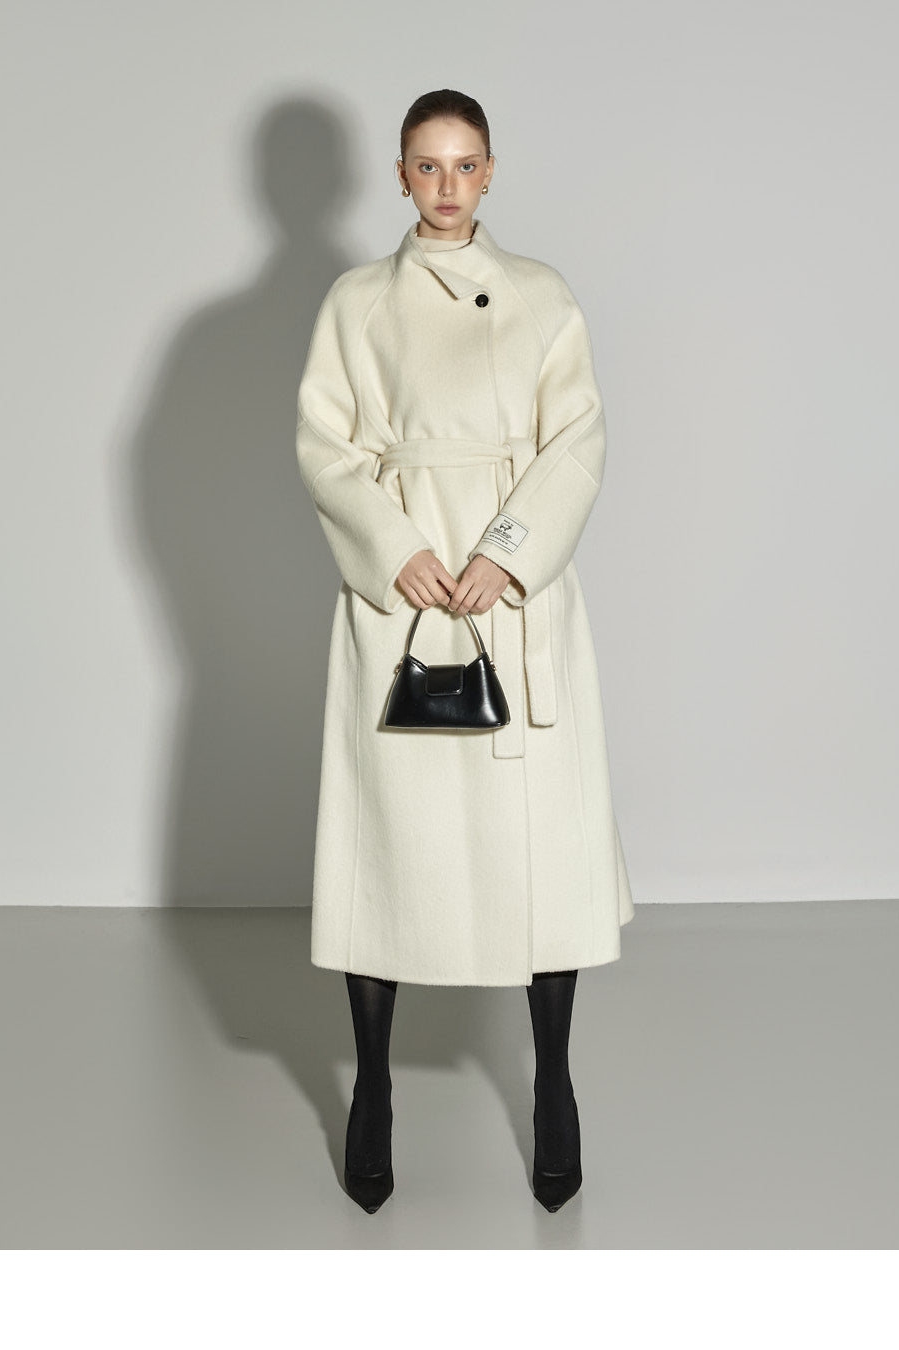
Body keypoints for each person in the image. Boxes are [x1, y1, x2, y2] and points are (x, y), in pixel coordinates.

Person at [296, 89, 635, 1214]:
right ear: (399, 173)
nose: (447, 186)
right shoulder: (356, 302)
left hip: (509, 591)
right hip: (404, 589)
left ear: (491, 171)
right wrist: (395, 549)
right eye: (427, 165)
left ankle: (554, 1084)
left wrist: (509, 552)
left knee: (541, 849)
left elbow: (576, 439)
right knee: (385, 847)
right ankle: (373, 1088)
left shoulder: (540, 296)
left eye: (465, 164)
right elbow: (326, 445)